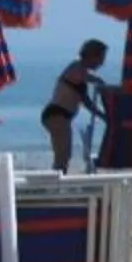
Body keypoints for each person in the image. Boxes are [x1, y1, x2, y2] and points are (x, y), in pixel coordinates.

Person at [44, 39, 111, 172]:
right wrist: (99, 81)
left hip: (61, 116)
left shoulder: (80, 78)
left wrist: (104, 116)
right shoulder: (76, 68)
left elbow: (87, 103)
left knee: (64, 154)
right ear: (91, 56)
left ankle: (56, 181)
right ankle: (55, 184)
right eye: (100, 58)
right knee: (62, 155)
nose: (102, 63)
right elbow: (87, 77)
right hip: (57, 114)